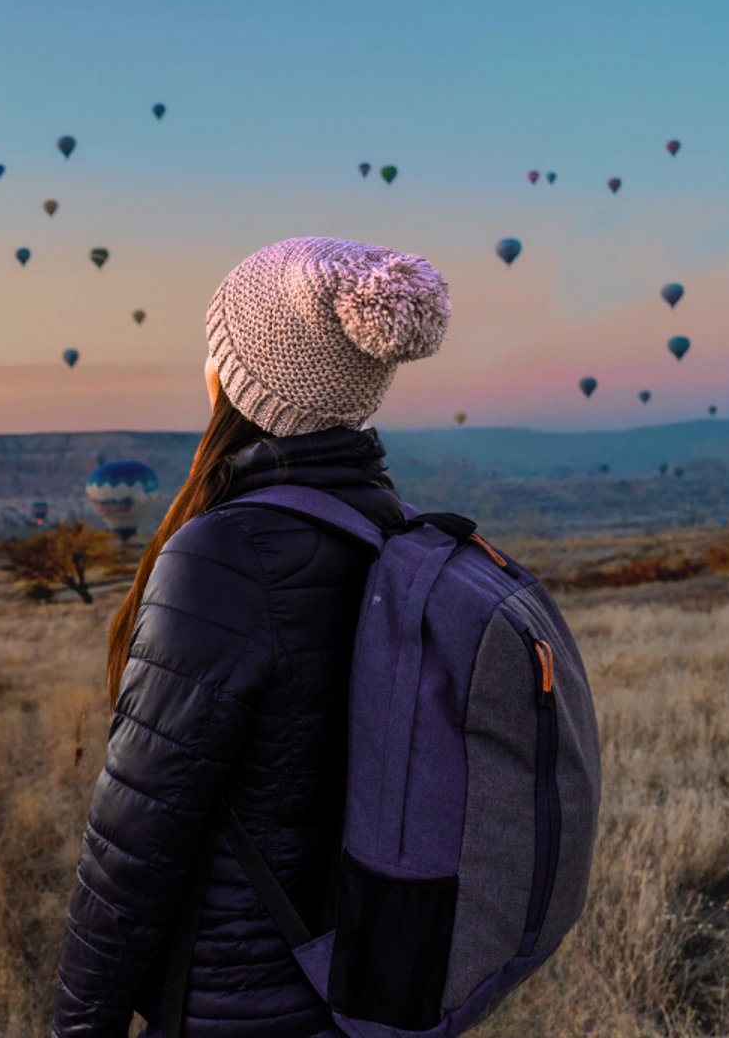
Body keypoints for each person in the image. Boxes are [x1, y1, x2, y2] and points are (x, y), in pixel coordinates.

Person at [52, 237, 452, 1037]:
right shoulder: (394, 533)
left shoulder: (225, 555)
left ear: (239, 380)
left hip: (236, 1003)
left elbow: (134, 841)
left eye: (216, 346)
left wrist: (79, 1026)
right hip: (364, 991)